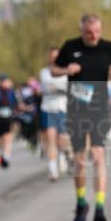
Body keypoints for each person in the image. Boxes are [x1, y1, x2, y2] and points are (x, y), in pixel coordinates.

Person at [52, 14, 111, 221]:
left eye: (98, 31)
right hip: (77, 105)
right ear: (82, 30)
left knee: (98, 156)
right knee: (80, 159)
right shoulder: (70, 46)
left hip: (99, 105)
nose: (94, 35)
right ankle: (81, 203)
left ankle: (99, 208)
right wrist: (66, 70)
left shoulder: (108, 47)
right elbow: (53, 69)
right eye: (90, 32)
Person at [39, 48, 71, 181]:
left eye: (56, 56)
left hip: (63, 109)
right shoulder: (44, 72)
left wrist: (59, 89)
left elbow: (71, 88)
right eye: (51, 56)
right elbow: (46, 87)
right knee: (51, 138)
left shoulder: (66, 73)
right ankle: (53, 170)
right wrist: (58, 88)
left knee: (62, 140)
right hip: (47, 109)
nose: (54, 59)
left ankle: (64, 155)